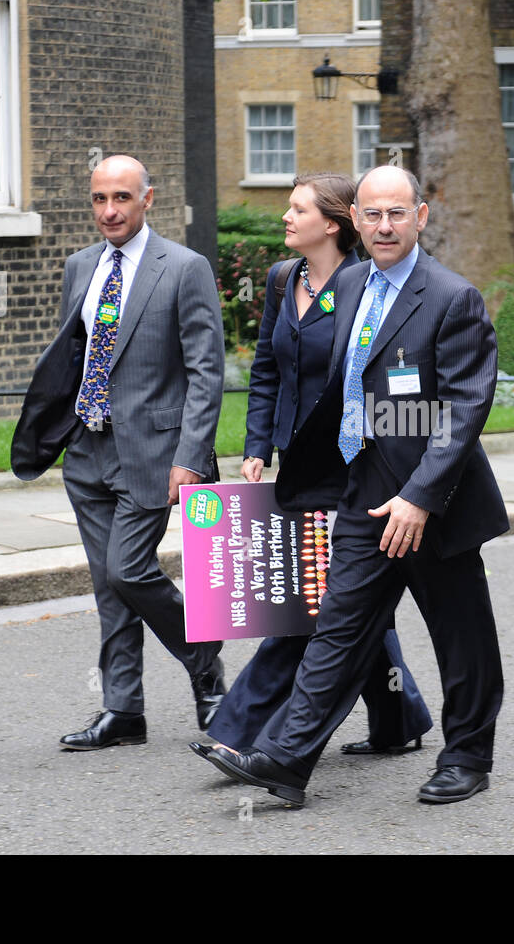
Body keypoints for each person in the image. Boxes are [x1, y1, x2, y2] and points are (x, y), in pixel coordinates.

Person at [194, 165, 508, 806]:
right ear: (355, 221)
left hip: (431, 499)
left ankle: (468, 756)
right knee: (338, 627)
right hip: (363, 490)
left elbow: (462, 411)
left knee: (460, 633)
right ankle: (288, 759)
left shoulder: (451, 298)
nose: (384, 226)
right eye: (372, 214)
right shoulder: (351, 282)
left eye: (397, 213)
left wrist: (421, 495)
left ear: (421, 218)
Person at [200, 172, 432, 755]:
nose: (285, 216)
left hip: (351, 464)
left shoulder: (364, 285)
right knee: (348, 598)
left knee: (325, 601)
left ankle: (238, 728)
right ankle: (399, 718)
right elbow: (267, 371)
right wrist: (256, 446)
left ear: (332, 223)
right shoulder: (284, 280)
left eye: (297, 208)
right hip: (298, 463)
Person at [11, 154, 227, 749]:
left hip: (153, 453)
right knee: (108, 586)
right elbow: (72, 357)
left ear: (147, 200)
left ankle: (204, 664)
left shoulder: (184, 268)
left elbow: (207, 372)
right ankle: (123, 710)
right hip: (86, 449)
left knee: (128, 569)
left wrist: (191, 454)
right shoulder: (80, 265)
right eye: (100, 199)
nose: (110, 210)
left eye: (122, 198)